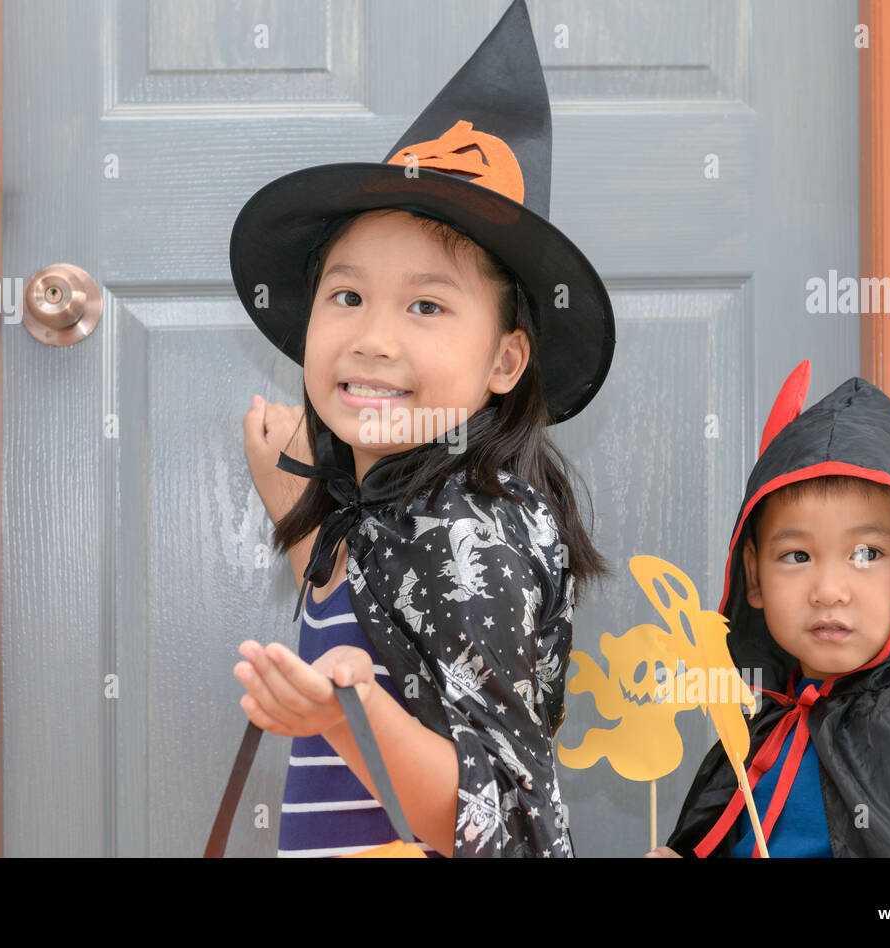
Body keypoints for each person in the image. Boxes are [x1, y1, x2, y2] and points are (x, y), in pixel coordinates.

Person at [227, 0, 615, 857]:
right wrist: (299, 507)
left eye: (427, 304)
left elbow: (496, 819)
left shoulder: (470, 529)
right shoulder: (398, 508)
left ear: (505, 363)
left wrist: (346, 718)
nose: (373, 337)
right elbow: (382, 613)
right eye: (348, 295)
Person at [646, 360, 890, 857]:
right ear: (754, 574)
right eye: (797, 556)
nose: (828, 590)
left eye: (867, 554)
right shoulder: (757, 727)